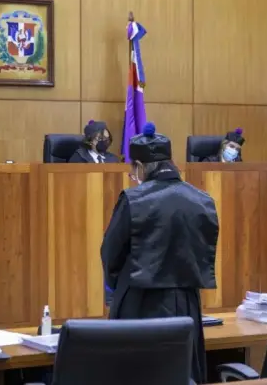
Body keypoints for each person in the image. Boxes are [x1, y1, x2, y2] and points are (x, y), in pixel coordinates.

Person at [101, 122, 218, 384]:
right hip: (186, 304)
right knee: (181, 374)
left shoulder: (133, 199)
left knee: (138, 375)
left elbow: (110, 253)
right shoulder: (203, 200)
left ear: (139, 167)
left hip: (139, 303)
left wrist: (118, 287)